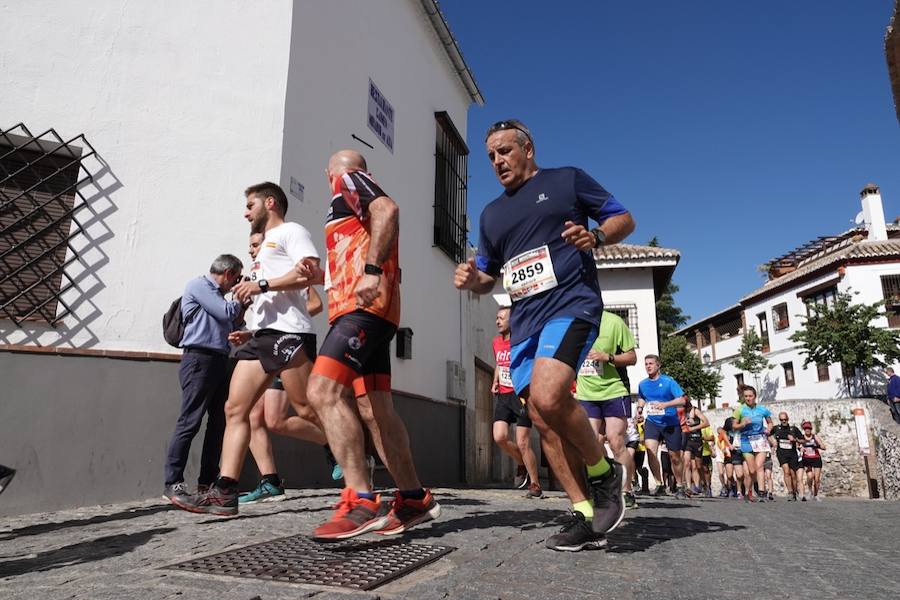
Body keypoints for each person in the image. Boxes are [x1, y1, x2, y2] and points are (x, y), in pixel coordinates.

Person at [454, 119, 635, 552]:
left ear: (528, 149)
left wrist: (593, 236)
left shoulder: (565, 180)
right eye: (491, 155)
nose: (497, 160)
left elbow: (622, 219)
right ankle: (585, 515)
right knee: (540, 415)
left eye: (504, 150)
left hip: (571, 305)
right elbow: (487, 276)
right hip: (525, 323)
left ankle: (603, 473)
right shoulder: (491, 214)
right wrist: (470, 277)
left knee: (551, 394)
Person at [295, 150, 440, 540]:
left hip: (362, 311)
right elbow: (354, 256)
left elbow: (388, 210)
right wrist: (323, 274)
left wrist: (373, 273)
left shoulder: (349, 181)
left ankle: (361, 500)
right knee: (375, 411)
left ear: (331, 173)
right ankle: (412, 498)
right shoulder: (346, 204)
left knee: (322, 391)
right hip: (369, 310)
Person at [171, 182, 321, 516]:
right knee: (235, 410)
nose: (245, 212)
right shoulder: (264, 248)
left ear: (270, 203)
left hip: (290, 335)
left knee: (307, 409)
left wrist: (262, 283)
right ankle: (225, 492)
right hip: (261, 337)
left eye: (250, 204)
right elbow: (270, 300)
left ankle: (350, 454)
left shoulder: (291, 231)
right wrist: (248, 330)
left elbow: (310, 273)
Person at [238, 231, 337, 504]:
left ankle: (339, 444)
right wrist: (249, 333)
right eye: (250, 246)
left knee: (293, 413)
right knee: (257, 417)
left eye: (256, 244)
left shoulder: (283, 271)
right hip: (263, 345)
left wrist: (288, 319)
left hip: (289, 343)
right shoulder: (255, 277)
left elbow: (315, 304)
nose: (252, 250)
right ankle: (269, 481)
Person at [163, 254, 245, 505]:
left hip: (219, 359)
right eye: (237, 278)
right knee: (190, 421)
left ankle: (207, 482)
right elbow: (224, 313)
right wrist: (242, 299)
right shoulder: (199, 286)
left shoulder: (219, 295)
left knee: (218, 423)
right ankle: (173, 483)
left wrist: (242, 308)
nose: (237, 284)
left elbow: (232, 320)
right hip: (198, 359)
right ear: (229, 273)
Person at [575, 310, 638, 508]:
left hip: (614, 389)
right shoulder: (573, 323)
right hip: (586, 393)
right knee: (589, 442)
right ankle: (607, 479)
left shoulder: (614, 321)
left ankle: (627, 490)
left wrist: (607, 357)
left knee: (615, 440)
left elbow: (632, 357)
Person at [492, 306, 542, 497]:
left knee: (523, 442)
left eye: (502, 318)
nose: (498, 321)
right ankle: (521, 463)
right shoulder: (496, 342)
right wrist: (495, 380)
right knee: (499, 437)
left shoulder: (522, 341)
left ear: (513, 321)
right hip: (504, 395)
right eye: (497, 318)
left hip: (521, 395)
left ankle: (535, 484)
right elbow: (499, 362)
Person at [638, 355, 689, 499]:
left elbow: (682, 400)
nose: (648, 366)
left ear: (658, 365)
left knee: (675, 457)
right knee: (651, 452)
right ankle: (659, 484)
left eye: (651, 364)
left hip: (670, 422)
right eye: (646, 364)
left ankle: (680, 485)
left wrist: (665, 405)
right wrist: (640, 408)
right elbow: (642, 397)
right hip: (652, 422)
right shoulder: (643, 384)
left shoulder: (668, 381)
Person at [732, 386, 773, 503]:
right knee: (752, 470)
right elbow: (734, 427)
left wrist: (768, 429)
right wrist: (742, 424)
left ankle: (761, 492)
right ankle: (748, 491)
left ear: (755, 396)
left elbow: (770, 423)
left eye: (750, 396)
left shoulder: (762, 410)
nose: (748, 398)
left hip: (760, 439)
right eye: (746, 396)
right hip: (746, 440)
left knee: (759, 466)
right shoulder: (739, 410)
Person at [769, 412, 803, 501]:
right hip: (781, 453)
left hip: (792, 454)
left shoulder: (793, 429)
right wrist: (773, 442)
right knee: (786, 471)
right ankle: (790, 492)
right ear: (779, 420)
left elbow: (803, 440)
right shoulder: (776, 428)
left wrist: (795, 439)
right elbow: (767, 434)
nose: (784, 421)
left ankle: (795, 492)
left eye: (785, 419)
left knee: (793, 474)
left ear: (788, 419)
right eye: (781, 420)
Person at [680, 399, 710, 495]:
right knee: (687, 463)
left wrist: (693, 427)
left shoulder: (695, 410)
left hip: (697, 439)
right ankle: (689, 487)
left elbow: (706, 423)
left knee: (698, 465)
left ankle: (704, 484)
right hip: (686, 440)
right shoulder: (681, 412)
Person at [799, 421, 826, 501]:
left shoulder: (815, 437)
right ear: (804, 430)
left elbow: (823, 447)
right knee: (810, 476)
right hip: (807, 459)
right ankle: (810, 491)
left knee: (817, 479)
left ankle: (816, 494)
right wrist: (801, 448)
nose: (807, 430)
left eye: (809, 428)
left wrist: (818, 446)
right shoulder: (802, 437)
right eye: (806, 428)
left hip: (816, 458)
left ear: (811, 429)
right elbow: (797, 446)